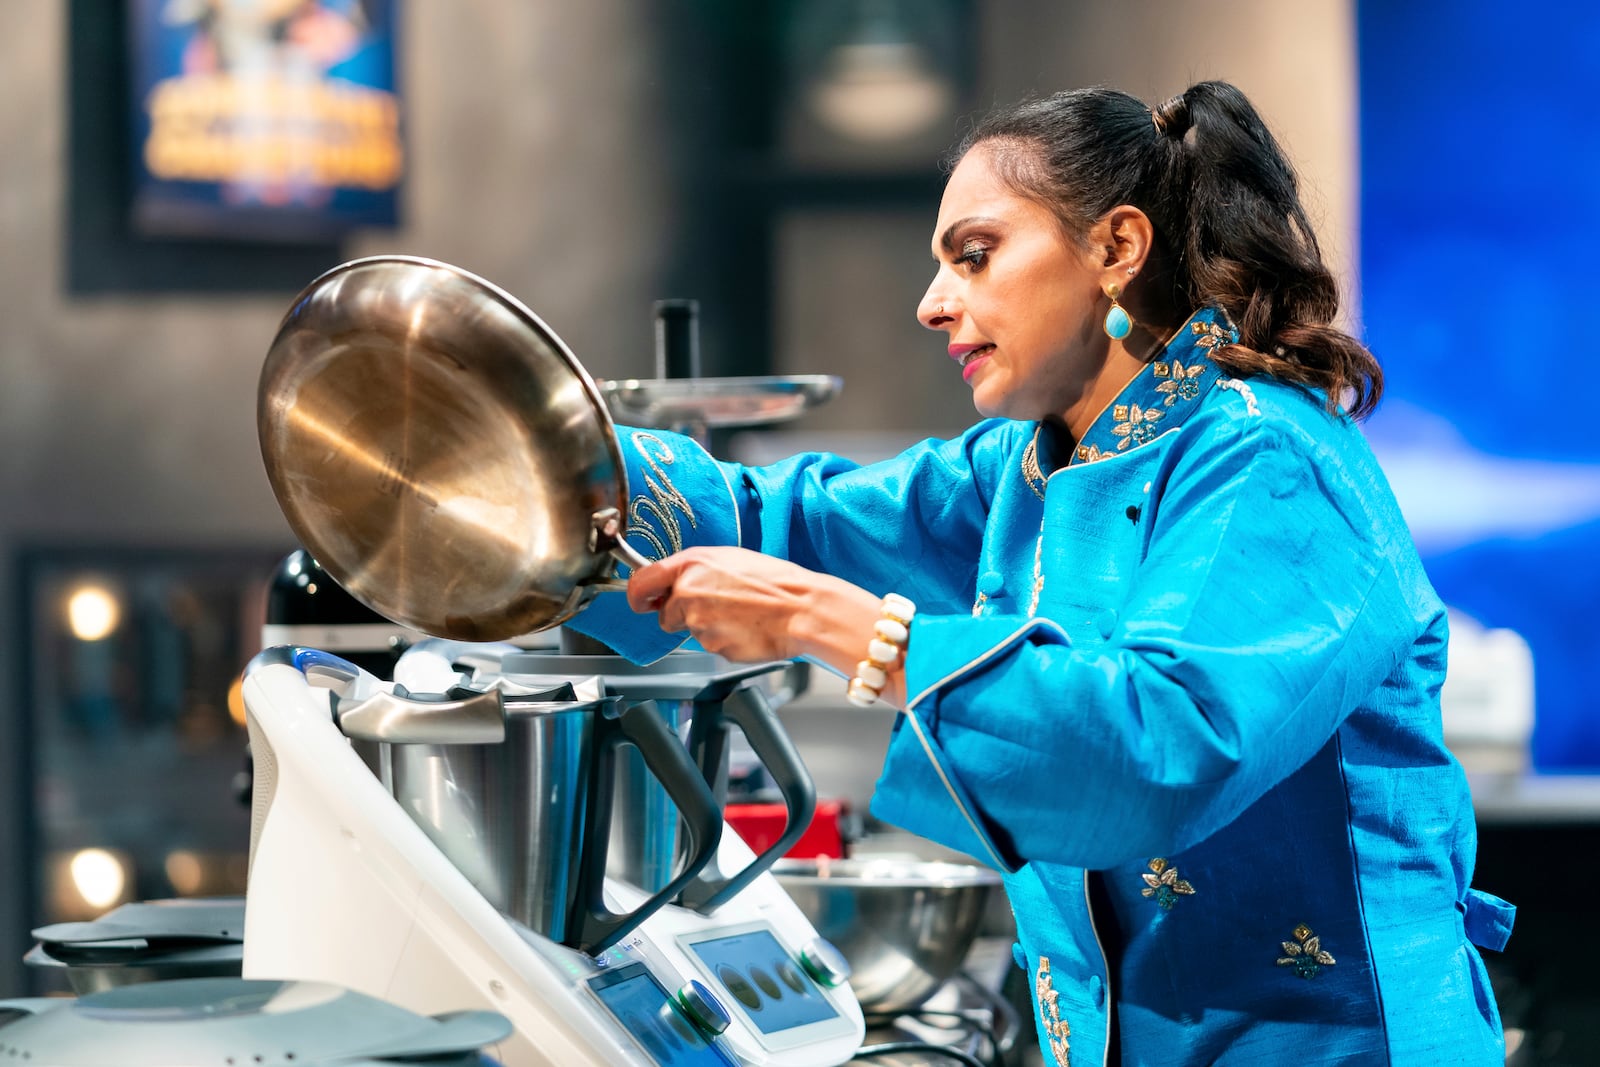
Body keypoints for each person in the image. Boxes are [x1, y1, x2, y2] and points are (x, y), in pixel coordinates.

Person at [566, 80, 1514, 1065]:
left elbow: (1155, 751)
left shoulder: (1267, 459)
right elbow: (783, 518)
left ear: (1115, 248)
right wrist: (546, 454)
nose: (933, 303)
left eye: (972, 256)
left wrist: (840, 626)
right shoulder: (1030, 464)